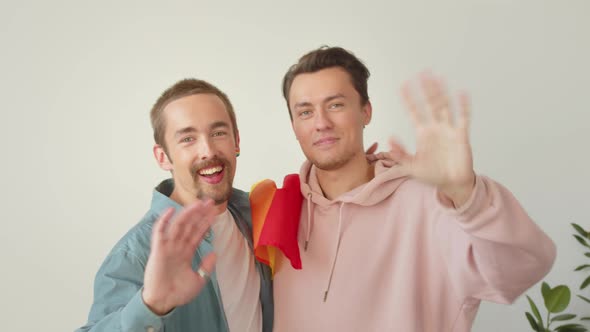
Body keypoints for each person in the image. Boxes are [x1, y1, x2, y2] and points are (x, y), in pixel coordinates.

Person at [268, 46, 557, 331]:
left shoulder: (431, 205)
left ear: (365, 111)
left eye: (335, 105)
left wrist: (466, 194)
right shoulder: (279, 209)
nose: (321, 123)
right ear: (293, 125)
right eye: (305, 112)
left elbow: (523, 267)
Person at [76, 79, 273, 332]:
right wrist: (151, 305)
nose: (208, 150)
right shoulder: (134, 253)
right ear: (163, 157)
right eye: (188, 139)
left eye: (218, 133)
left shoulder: (257, 216)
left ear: (236, 141)